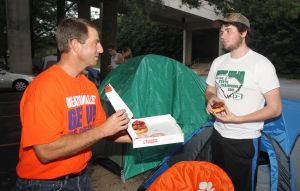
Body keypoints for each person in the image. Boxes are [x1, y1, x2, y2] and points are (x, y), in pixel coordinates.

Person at [15, 18, 131, 191]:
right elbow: (46, 151)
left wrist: (143, 136)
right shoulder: (43, 88)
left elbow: (102, 130)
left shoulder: (88, 85)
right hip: (44, 185)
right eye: (96, 43)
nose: (100, 49)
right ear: (75, 45)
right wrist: (103, 130)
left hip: (81, 178)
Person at [205, 13, 282, 191]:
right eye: (222, 31)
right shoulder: (218, 62)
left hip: (244, 140)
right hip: (217, 135)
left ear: (244, 32)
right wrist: (211, 99)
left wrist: (237, 119)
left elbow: (275, 108)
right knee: (218, 184)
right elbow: (209, 90)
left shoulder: (261, 64)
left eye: (228, 30)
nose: (223, 35)